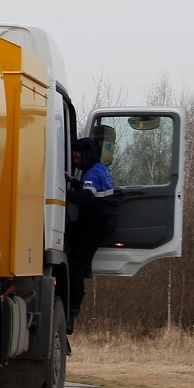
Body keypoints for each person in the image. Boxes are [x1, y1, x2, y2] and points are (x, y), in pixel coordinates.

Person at [65, 136, 117, 325]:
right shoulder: (100, 169)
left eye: (77, 158)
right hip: (101, 221)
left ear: (87, 156)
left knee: (76, 266)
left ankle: (72, 311)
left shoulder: (91, 174)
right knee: (69, 232)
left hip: (97, 224)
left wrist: (61, 192)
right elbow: (92, 192)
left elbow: (86, 198)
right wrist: (73, 181)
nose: (75, 161)